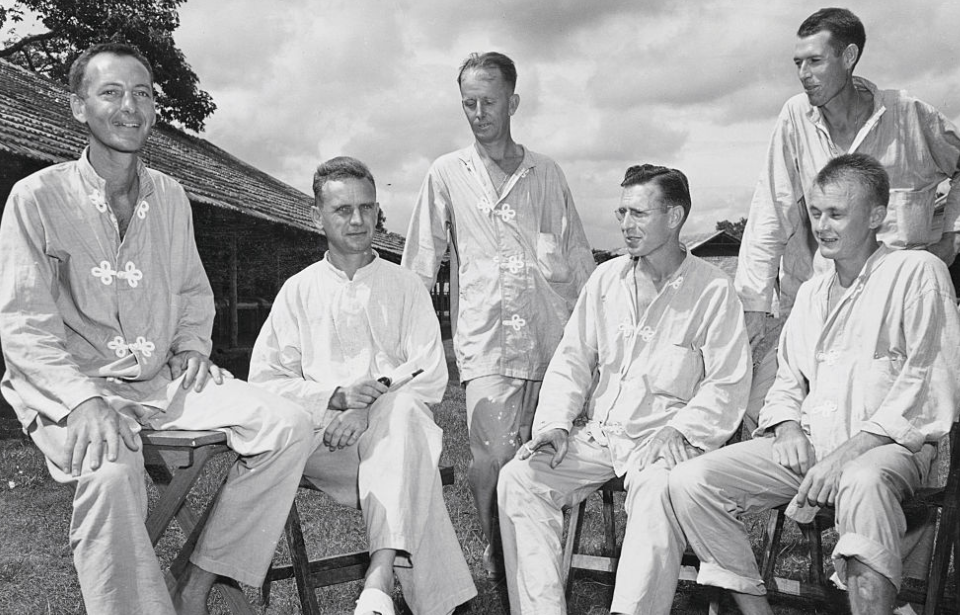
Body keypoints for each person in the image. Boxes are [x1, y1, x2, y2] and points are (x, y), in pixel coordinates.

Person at [0, 43, 315, 615]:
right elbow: (24, 325)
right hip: (74, 387)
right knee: (112, 473)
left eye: (143, 93)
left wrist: (193, 345)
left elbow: (193, 290)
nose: (131, 107)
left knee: (288, 424)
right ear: (78, 107)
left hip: (160, 379)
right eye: (111, 92)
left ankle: (198, 583)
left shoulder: (170, 196)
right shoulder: (36, 198)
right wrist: (79, 400)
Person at [671, 153, 960, 615]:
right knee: (692, 480)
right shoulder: (811, 292)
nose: (823, 225)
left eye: (837, 214)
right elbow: (787, 378)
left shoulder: (916, 273)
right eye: (816, 212)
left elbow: (930, 382)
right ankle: (756, 608)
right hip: (811, 447)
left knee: (863, 481)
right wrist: (786, 428)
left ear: (876, 215)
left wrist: (848, 455)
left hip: (892, 451)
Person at [497, 164, 752, 614]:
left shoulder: (712, 290)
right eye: (621, 213)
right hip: (602, 436)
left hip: (662, 442)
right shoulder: (605, 279)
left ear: (674, 217)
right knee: (520, 477)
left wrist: (685, 431)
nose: (625, 225)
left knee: (657, 492)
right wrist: (556, 424)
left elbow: (727, 383)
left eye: (638, 213)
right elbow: (573, 358)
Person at [249, 156, 477, 615]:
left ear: (377, 211)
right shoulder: (299, 290)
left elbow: (430, 371)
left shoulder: (406, 286)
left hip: (392, 438)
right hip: (326, 445)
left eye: (367, 208)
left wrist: (366, 409)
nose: (357, 220)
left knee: (405, 416)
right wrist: (334, 399)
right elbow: (266, 382)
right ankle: (425, 595)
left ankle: (378, 581)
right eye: (342, 210)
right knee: (410, 444)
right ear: (317, 216)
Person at [401, 51, 595, 576]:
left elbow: (576, 255)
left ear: (513, 102)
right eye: (469, 103)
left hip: (550, 336)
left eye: (489, 101)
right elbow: (422, 258)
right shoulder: (447, 172)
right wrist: (404, 337)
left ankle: (534, 546)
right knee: (489, 456)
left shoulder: (546, 172)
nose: (479, 112)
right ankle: (496, 547)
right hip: (486, 339)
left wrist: (592, 337)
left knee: (543, 449)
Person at [737, 7, 960, 431]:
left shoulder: (907, 113)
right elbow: (771, 208)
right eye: (797, 63)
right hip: (818, 298)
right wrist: (753, 302)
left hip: (895, 301)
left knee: (879, 417)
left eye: (815, 61)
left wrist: (950, 235)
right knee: (767, 404)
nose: (803, 73)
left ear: (849, 56)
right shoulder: (794, 118)